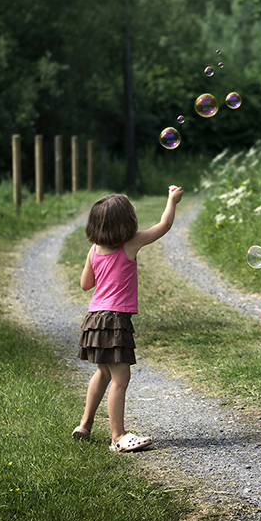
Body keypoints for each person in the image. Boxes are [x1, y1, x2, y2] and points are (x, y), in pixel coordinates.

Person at [73, 186, 183, 451]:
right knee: (120, 378)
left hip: (94, 320)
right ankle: (118, 437)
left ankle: (85, 425)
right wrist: (172, 200)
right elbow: (164, 225)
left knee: (103, 372)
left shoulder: (94, 250)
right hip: (114, 320)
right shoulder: (131, 243)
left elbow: (85, 284)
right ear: (127, 222)